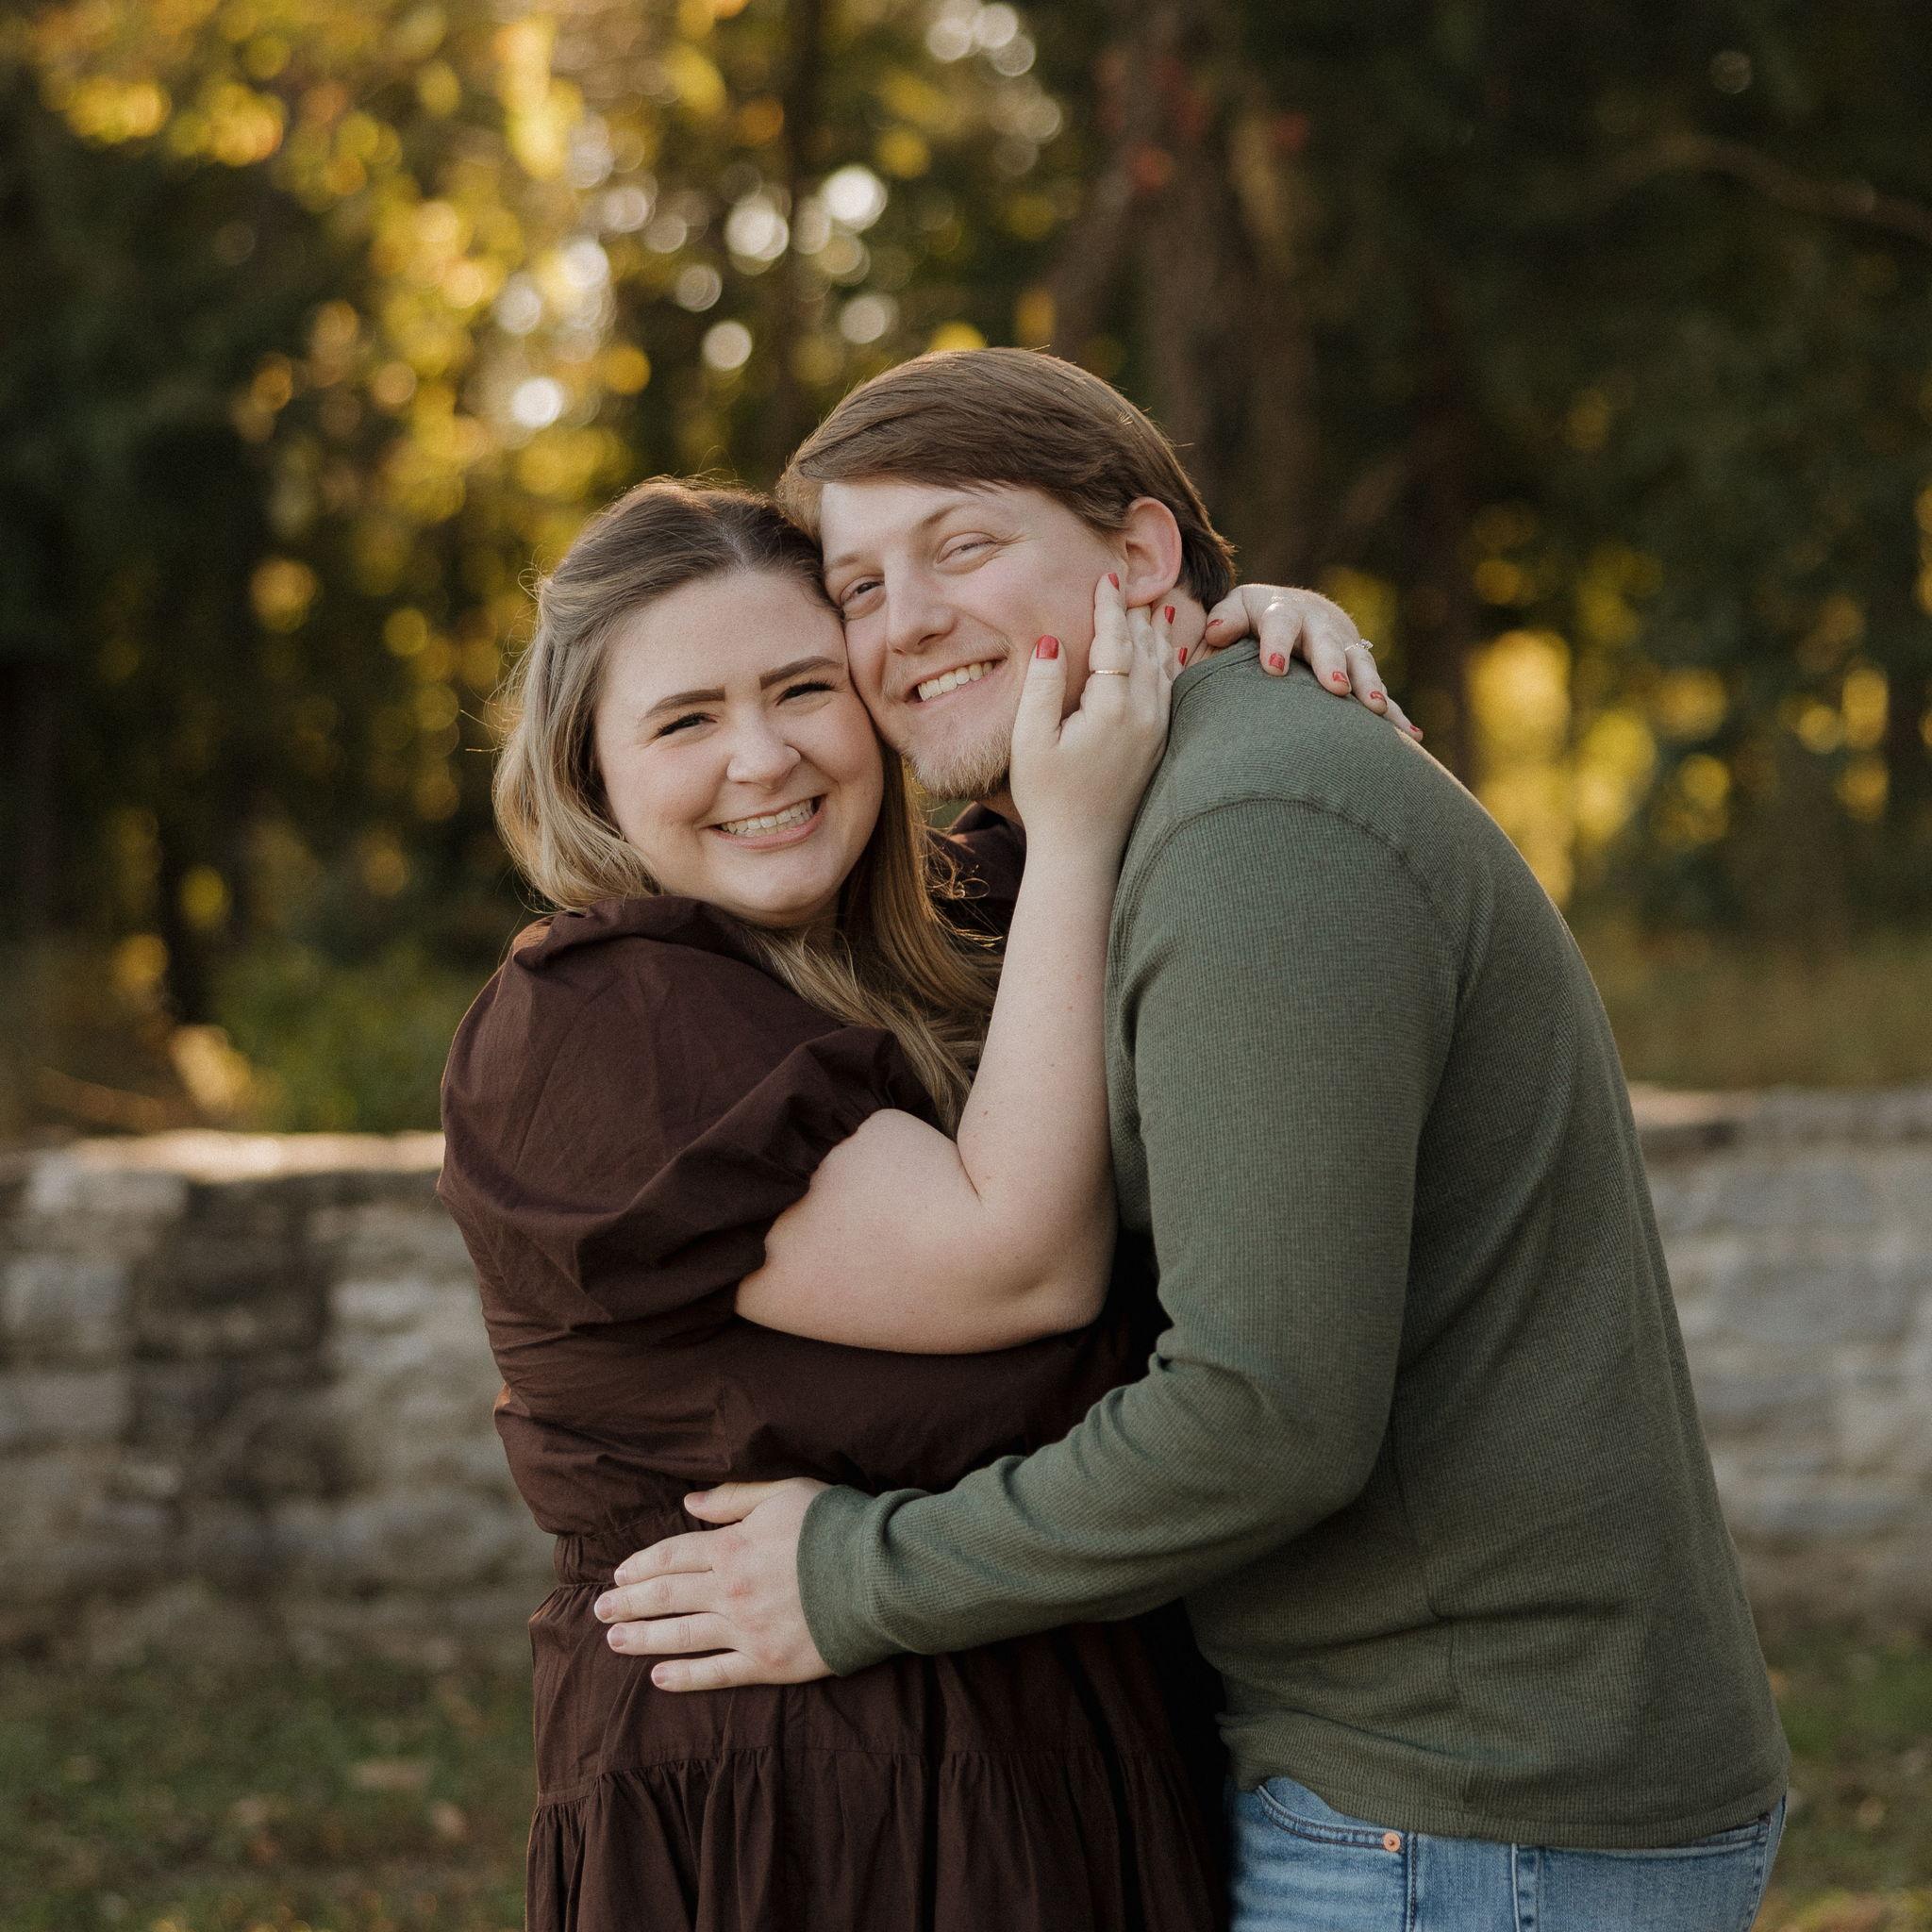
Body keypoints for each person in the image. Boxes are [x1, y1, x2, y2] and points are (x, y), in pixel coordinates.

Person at [595, 349, 1793, 1932]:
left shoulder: (1255, 831)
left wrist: (853, 1576)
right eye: (859, 586)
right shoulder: (1121, 816)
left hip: (1469, 1814)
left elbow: (1265, 1417)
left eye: (962, 546)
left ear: (1145, 555)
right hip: (1418, 1789)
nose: (906, 625)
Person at [437, 475, 1397, 1931]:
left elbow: (1139, 772)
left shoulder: (965, 932)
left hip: (1071, 1756)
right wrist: (1076, 840)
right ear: (590, 773)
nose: (762, 758)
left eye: (804, 689)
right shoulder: (597, 1022)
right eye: (687, 720)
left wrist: (1229, 663)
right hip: (800, 1807)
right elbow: (1018, 1268)